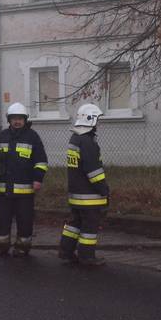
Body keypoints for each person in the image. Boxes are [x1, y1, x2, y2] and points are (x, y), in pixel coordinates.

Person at [0, 102, 48, 257]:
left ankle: (22, 247)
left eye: (20, 118)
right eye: (14, 118)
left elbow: (41, 161)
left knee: (24, 219)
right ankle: (1, 246)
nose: (17, 121)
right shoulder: (2, 137)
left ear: (25, 119)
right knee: (1, 219)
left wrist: (38, 179)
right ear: (9, 120)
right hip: (3, 190)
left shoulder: (33, 137)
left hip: (25, 190)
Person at [58, 103, 109, 267]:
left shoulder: (75, 138)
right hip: (89, 197)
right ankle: (87, 257)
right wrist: (104, 189)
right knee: (89, 228)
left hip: (75, 194)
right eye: (97, 120)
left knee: (74, 225)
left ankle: (66, 252)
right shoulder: (88, 142)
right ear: (91, 120)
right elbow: (93, 170)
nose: (98, 124)